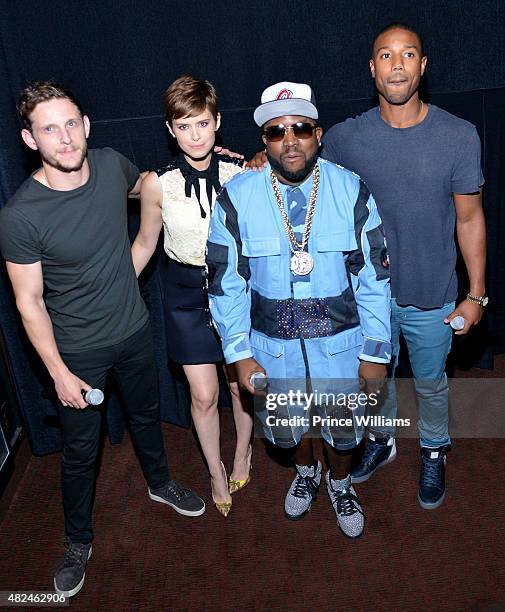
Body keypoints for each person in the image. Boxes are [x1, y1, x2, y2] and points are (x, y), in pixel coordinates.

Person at [0, 81, 205, 598]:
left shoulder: (113, 164)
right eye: (50, 129)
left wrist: (216, 159)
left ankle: (160, 485)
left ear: (86, 126)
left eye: (71, 124)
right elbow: (29, 302)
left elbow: (152, 187)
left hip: (135, 330)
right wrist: (58, 373)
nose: (65, 138)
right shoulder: (21, 216)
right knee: (79, 453)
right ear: (31, 140)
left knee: (146, 415)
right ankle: (78, 540)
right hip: (77, 353)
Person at [206, 81, 392, 538]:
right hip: (272, 351)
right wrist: (238, 353)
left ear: (318, 134)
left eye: (300, 128)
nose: (290, 140)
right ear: (264, 141)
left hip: (342, 350)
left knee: (342, 432)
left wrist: (375, 353)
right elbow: (224, 282)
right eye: (276, 132)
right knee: (290, 434)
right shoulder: (238, 196)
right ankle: (307, 475)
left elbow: (374, 278)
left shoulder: (351, 190)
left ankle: (342, 482)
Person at [321, 23, 486, 509]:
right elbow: (300, 172)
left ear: (423, 66)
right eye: (386, 56)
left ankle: (434, 449)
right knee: (375, 381)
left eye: (408, 54)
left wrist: (476, 293)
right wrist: (255, 161)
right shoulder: (344, 139)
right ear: (372, 69)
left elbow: (471, 217)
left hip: (433, 292)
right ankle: (381, 440)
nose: (397, 64)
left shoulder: (458, 135)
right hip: (366, 295)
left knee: (432, 382)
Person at [131, 75, 253, 518]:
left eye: (202, 123)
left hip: (236, 291)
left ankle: (242, 453)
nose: (195, 135)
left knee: (240, 387)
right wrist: (114, 291)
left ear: (217, 122)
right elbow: (145, 244)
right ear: (170, 130)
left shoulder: (242, 175)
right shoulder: (157, 184)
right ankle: (216, 472)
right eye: (184, 126)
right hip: (183, 295)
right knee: (203, 395)